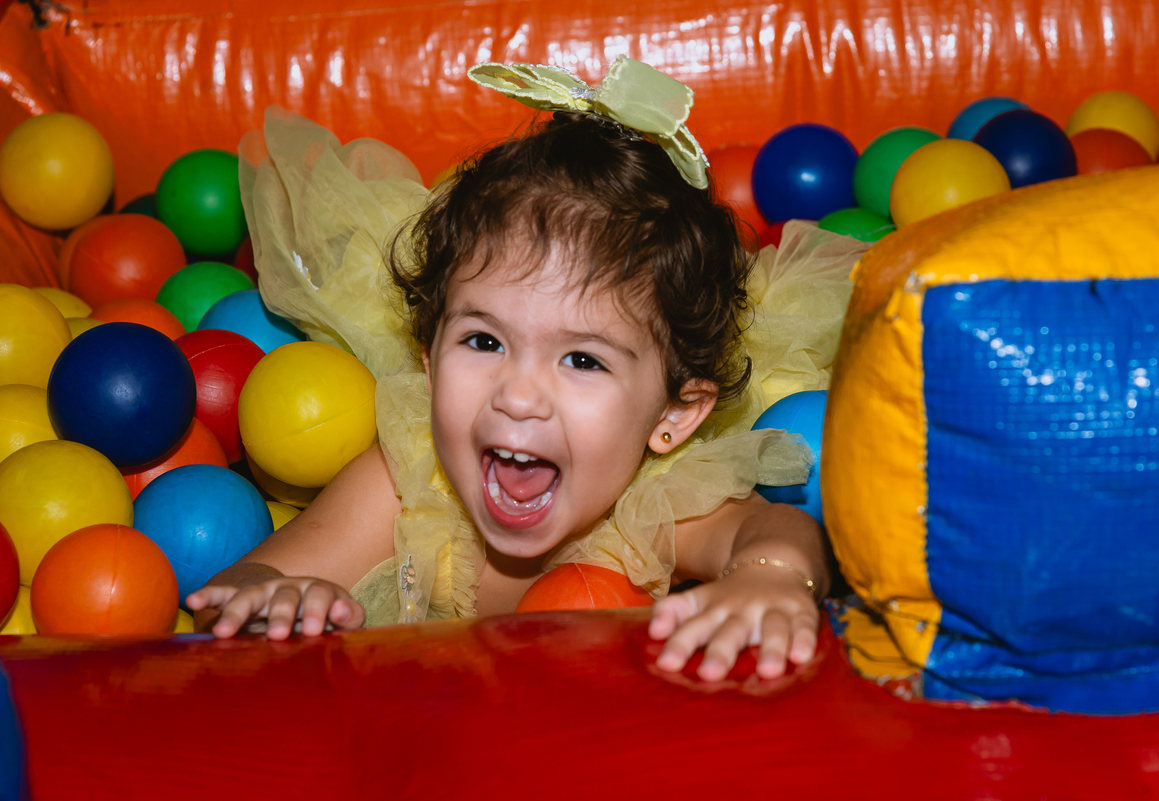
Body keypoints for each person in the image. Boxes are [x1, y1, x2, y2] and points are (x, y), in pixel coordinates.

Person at [187, 57, 868, 681]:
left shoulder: (654, 499)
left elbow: (774, 530)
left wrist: (768, 577)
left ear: (672, 416)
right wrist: (270, 593)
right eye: (484, 342)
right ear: (428, 362)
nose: (517, 394)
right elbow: (259, 574)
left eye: (581, 359)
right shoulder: (408, 481)